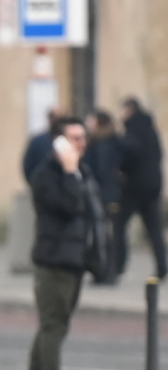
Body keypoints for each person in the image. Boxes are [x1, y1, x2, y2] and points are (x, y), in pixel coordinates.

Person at [25, 116, 104, 370]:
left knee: (55, 324)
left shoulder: (83, 171)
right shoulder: (48, 176)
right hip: (53, 259)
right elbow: (69, 206)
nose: (81, 144)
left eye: (83, 138)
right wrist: (70, 172)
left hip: (74, 260)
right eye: (74, 138)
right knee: (53, 325)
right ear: (58, 142)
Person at [116, 97, 167, 279]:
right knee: (154, 229)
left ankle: (117, 265)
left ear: (130, 110)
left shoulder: (133, 130)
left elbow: (129, 154)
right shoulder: (151, 130)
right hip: (153, 185)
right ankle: (162, 266)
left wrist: (121, 169)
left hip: (134, 186)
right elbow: (159, 155)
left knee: (119, 224)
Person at [82, 110, 121, 284]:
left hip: (102, 194)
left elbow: (101, 171)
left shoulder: (102, 144)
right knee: (102, 234)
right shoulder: (101, 142)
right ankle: (101, 270)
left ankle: (105, 272)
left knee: (103, 234)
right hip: (103, 193)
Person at [22, 108, 62, 185]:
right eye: (53, 117)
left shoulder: (68, 139)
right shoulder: (38, 141)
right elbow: (28, 165)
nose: (56, 120)